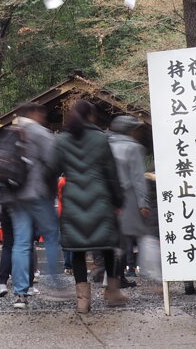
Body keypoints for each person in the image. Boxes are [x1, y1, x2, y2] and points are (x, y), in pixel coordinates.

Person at [49, 99, 125, 313]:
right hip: (100, 197)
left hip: (73, 198)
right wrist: (118, 199)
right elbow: (111, 173)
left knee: (78, 250)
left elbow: (52, 170)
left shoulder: (62, 140)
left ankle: (83, 300)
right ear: (91, 116)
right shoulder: (101, 139)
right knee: (108, 246)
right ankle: (112, 292)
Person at [0, 102, 64, 309]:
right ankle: (53, 281)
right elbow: (55, 161)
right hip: (38, 194)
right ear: (35, 113)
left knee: (21, 242)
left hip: (15, 196)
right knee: (52, 235)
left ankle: (20, 293)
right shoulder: (40, 132)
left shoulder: (10, 132)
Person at [107, 115, 152, 287]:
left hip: (109, 197)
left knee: (115, 238)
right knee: (126, 238)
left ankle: (114, 276)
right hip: (129, 197)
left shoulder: (107, 144)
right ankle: (117, 277)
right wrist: (143, 203)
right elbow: (138, 178)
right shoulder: (133, 148)